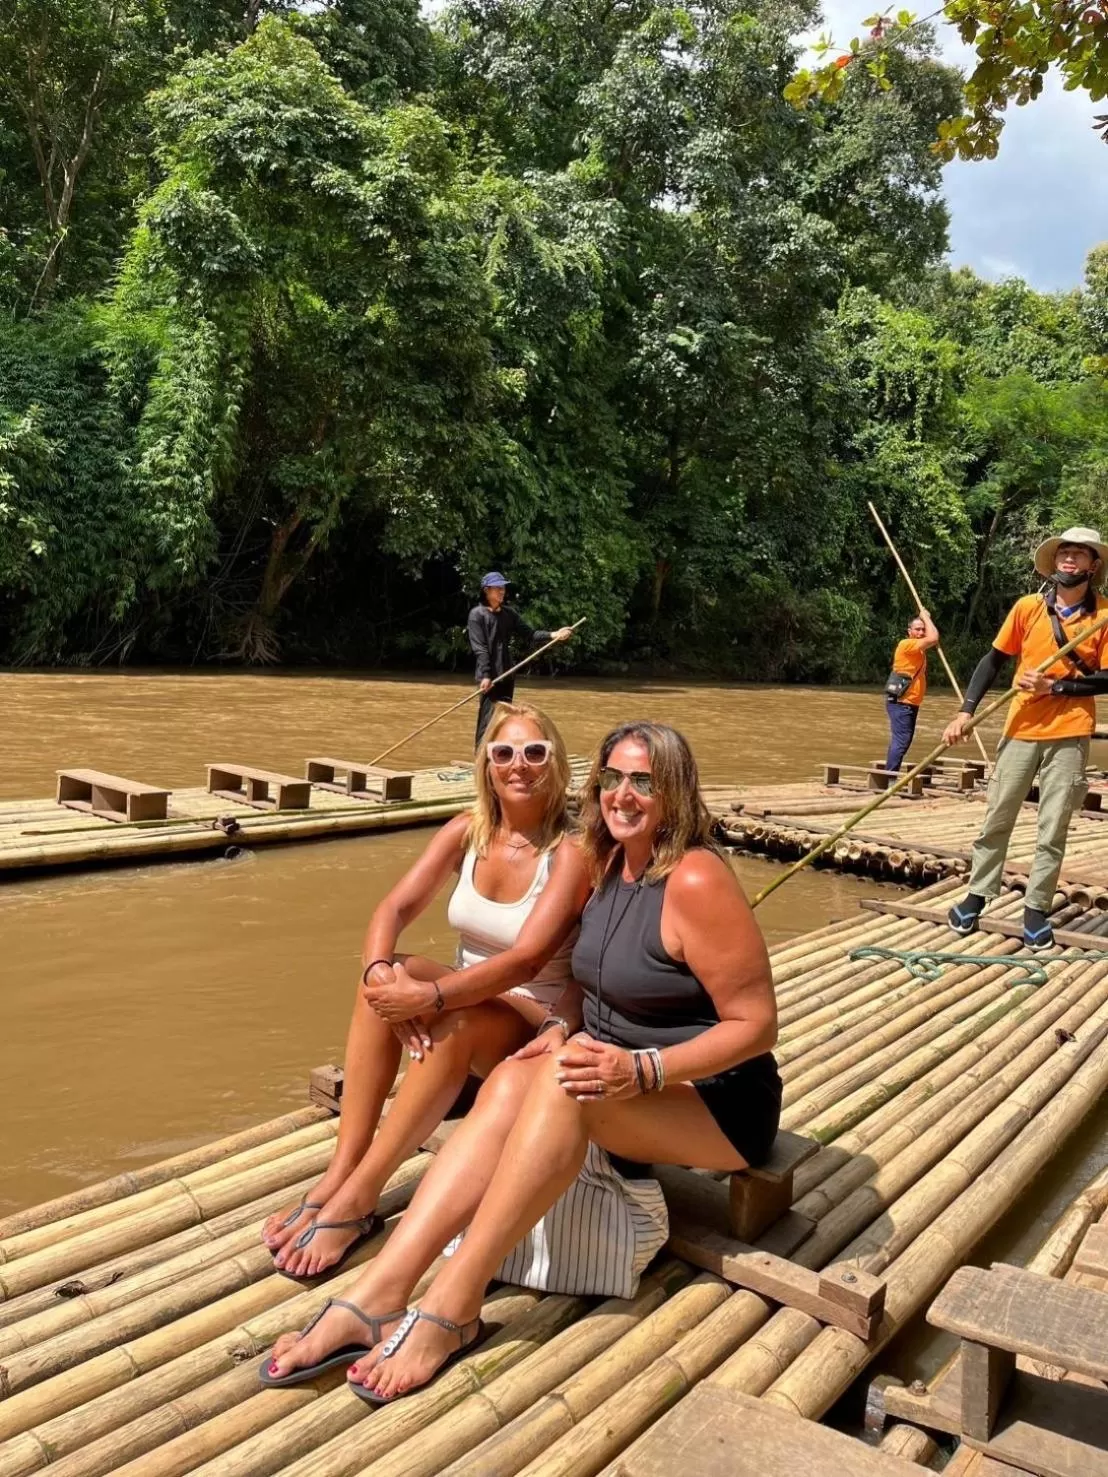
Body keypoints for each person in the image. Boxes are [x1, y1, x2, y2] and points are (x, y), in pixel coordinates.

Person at [260, 721, 781, 1400]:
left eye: (644, 781)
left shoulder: (694, 877)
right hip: (613, 1063)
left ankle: (452, 1304)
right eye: (613, 779)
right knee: (509, 1079)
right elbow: (584, 975)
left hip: (714, 1098)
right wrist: (563, 1020)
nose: (624, 794)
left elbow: (758, 1024)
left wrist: (643, 1068)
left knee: (565, 1091)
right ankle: (379, 1292)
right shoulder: (612, 859)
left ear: (675, 789)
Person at [262, 701, 591, 1279]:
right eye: (504, 753)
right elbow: (393, 906)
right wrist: (377, 974)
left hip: (533, 1015)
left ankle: (361, 1197)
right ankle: (342, 1170)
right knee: (391, 971)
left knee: (444, 1010)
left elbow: (527, 958)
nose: (519, 765)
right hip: (465, 995)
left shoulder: (570, 852)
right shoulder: (468, 830)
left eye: (535, 752)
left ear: (557, 764)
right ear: (487, 765)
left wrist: (432, 1000)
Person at [944, 526, 1108, 950]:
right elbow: (994, 659)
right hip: (1019, 728)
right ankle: (977, 895)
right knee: (998, 814)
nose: (1069, 560)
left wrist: (1056, 688)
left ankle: (1036, 908)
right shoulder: (1027, 608)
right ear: (1054, 562)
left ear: (1094, 565)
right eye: (1063, 553)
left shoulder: (1104, 616)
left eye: (1079, 554)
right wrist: (966, 711)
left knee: (1053, 825)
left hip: (1070, 733)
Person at [467, 572, 574, 748]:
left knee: (504, 719)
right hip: (490, 678)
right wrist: (486, 675)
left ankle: (498, 755)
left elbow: (530, 634)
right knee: (487, 720)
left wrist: (555, 634)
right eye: (498, 588)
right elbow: (480, 648)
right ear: (486, 590)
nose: (502, 591)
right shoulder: (477, 615)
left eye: (503, 588)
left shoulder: (509, 614)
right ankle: (480, 759)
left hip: (507, 673)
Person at [884, 609, 940, 772]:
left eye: (923, 629)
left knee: (902, 740)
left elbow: (932, 639)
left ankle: (890, 774)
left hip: (909, 703)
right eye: (917, 629)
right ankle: (890, 778)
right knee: (901, 741)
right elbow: (934, 638)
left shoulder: (919, 650)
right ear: (909, 632)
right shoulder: (906, 644)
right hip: (901, 702)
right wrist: (925, 618)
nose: (921, 632)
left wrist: (925, 619)